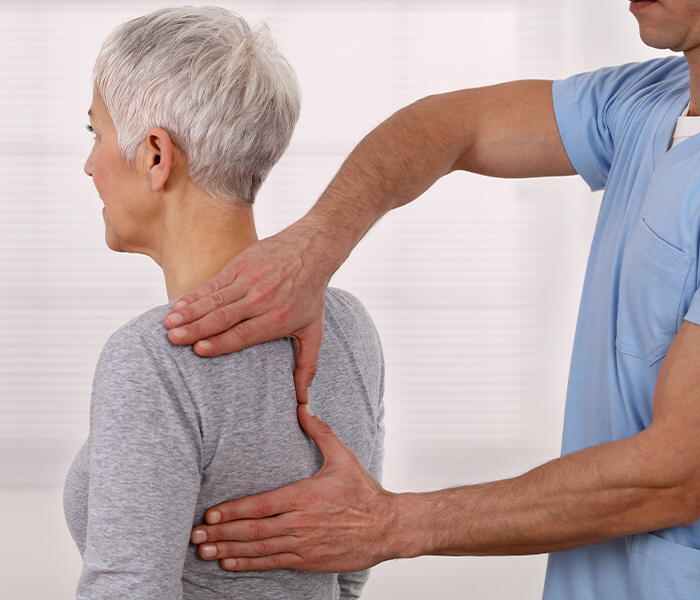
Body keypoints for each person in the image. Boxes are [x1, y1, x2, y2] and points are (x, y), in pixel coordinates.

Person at [168, 1, 700, 598]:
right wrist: (315, 247)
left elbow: (678, 474)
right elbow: (449, 124)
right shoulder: (647, 99)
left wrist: (393, 524)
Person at [62, 7, 385, 600]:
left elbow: (126, 589)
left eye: (96, 134)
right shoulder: (347, 328)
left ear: (156, 155)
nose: (89, 165)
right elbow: (347, 574)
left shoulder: (155, 357)